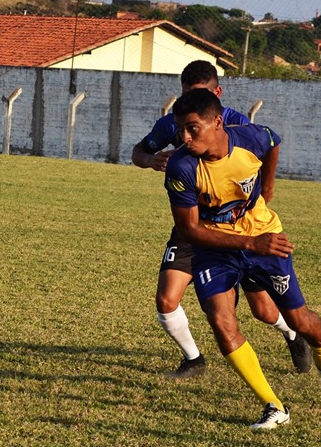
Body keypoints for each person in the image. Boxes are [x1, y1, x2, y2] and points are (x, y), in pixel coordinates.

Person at [165, 88, 321, 429]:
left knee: (299, 320)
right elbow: (189, 230)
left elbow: (273, 141)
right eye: (181, 129)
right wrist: (250, 243)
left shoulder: (249, 138)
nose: (184, 137)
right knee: (222, 322)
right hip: (215, 248)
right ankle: (274, 406)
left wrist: (268, 186)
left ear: (217, 123)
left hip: (266, 237)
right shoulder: (181, 166)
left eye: (192, 128)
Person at [132, 60, 310, 379]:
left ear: (217, 95)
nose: (190, 107)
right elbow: (138, 152)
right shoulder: (173, 124)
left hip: (238, 227)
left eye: (199, 95)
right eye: (186, 95)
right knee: (166, 298)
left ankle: (293, 333)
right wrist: (151, 159)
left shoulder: (237, 125)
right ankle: (193, 360)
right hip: (193, 226)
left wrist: (266, 188)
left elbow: (269, 144)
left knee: (263, 310)